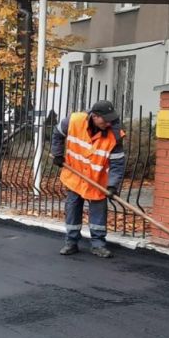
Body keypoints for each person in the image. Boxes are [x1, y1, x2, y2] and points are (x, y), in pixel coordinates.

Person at [51, 100, 127, 258]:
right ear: (95, 116)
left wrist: (112, 186)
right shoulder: (74, 121)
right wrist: (58, 154)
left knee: (98, 213)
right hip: (75, 175)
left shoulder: (115, 136)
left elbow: (117, 163)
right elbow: (57, 133)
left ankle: (98, 245)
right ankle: (71, 242)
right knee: (72, 208)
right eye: (105, 120)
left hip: (97, 180)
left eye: (110, 119)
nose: (108, 123)